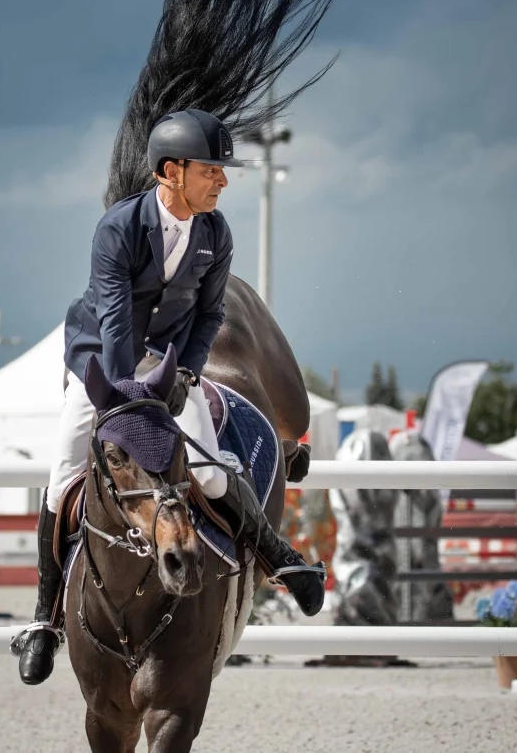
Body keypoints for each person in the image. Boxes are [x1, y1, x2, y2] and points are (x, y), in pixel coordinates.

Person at [18, 109, 326, 685]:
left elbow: (208, 315)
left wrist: (182, 373)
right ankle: (43, 619)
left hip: (165, 365)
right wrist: (123, 403)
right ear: (170, 172)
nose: (223, 181)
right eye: (212, 169)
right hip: (101, 365)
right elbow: (113, 320)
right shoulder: (119, 228)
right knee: (62, 476)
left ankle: (278, 556)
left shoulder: (215, 233)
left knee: (211, 471)